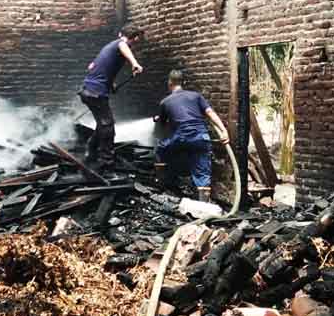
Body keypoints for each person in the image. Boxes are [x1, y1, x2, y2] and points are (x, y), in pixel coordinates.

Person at [154, 70, 230, 202]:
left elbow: (162, 125)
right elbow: (210, 113)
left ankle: (164, 186)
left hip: (180, 138)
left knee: (161, 149)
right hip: (200, 137)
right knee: (202, 173)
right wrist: (224, 131)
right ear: (183, 82)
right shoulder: (196, 96)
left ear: (169, 83)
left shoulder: (165, 102)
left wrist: (157, 119)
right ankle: (203, 204)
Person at [79, 25, 145, 169]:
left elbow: (95, 67)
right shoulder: (120, 44)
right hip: (95, 93)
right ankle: (106, 161)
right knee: (108, 126)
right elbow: (123, 46)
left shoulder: (109, 47)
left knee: (103, 124)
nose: (137, 43)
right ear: (135, 38)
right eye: (138, 39)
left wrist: (111, 84)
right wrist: (134, 63)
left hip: (89, 91)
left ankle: (91, 150)